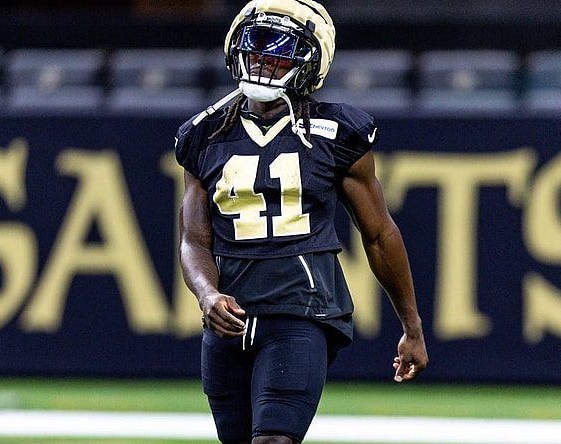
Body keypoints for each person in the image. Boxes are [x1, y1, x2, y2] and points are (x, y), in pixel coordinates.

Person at [174, 1, 429, 442]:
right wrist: (207, 293)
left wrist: (412, 327)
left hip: (302, 312)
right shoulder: (204, 134)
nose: (262, 58)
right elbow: (194, 240)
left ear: (312, 61)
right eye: (254, 45)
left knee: (274, 439)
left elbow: (380, 234)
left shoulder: (336, 132)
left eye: (279, 49)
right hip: (228, 319)